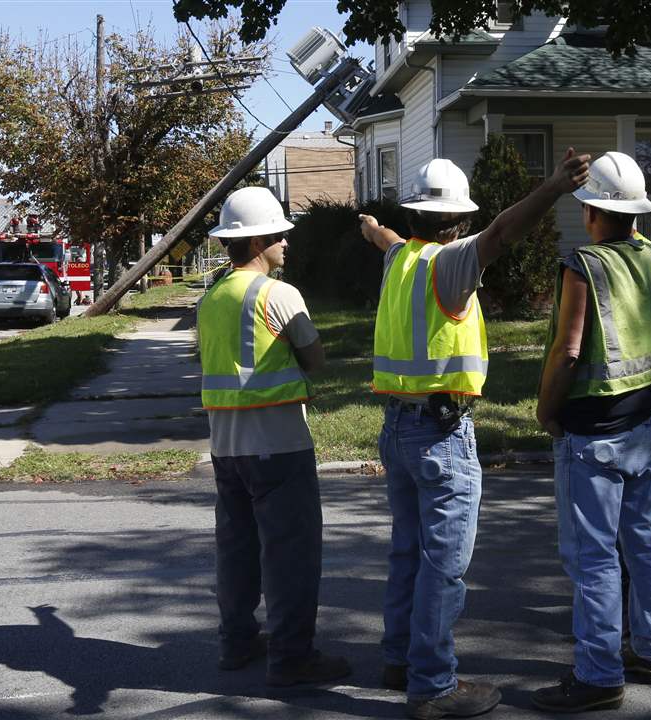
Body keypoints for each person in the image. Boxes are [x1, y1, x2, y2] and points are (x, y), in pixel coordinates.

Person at [360, 150, 591, 720]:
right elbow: (506, 229)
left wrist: (370, 226)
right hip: (441, 436)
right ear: (459, 222)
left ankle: (400, 661)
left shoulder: (400, 261)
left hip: (397, 428)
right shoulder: (452, 264)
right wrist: (555, 186)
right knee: (444, 565)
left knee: (407, 552)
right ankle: (433, 686)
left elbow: (386, 239)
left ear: (414, 216)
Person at [532, 152, 651, 714]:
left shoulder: (585, 264)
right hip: (646, 422)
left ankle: (599, 674)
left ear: (590, 210)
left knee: (595, 557)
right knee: (645, 541)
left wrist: (545, 410)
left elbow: (568, 350)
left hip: (594, 432)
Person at [197, 186, 351, 688]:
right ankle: (291, 656)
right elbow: (315, 359)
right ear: (259, 239)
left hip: (226, 446)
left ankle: (236, 643)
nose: (287, 240)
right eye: (281, 233)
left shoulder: (211, 297)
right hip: (279, 445)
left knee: (237, 550)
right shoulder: (278, 294)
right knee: (291, 555)